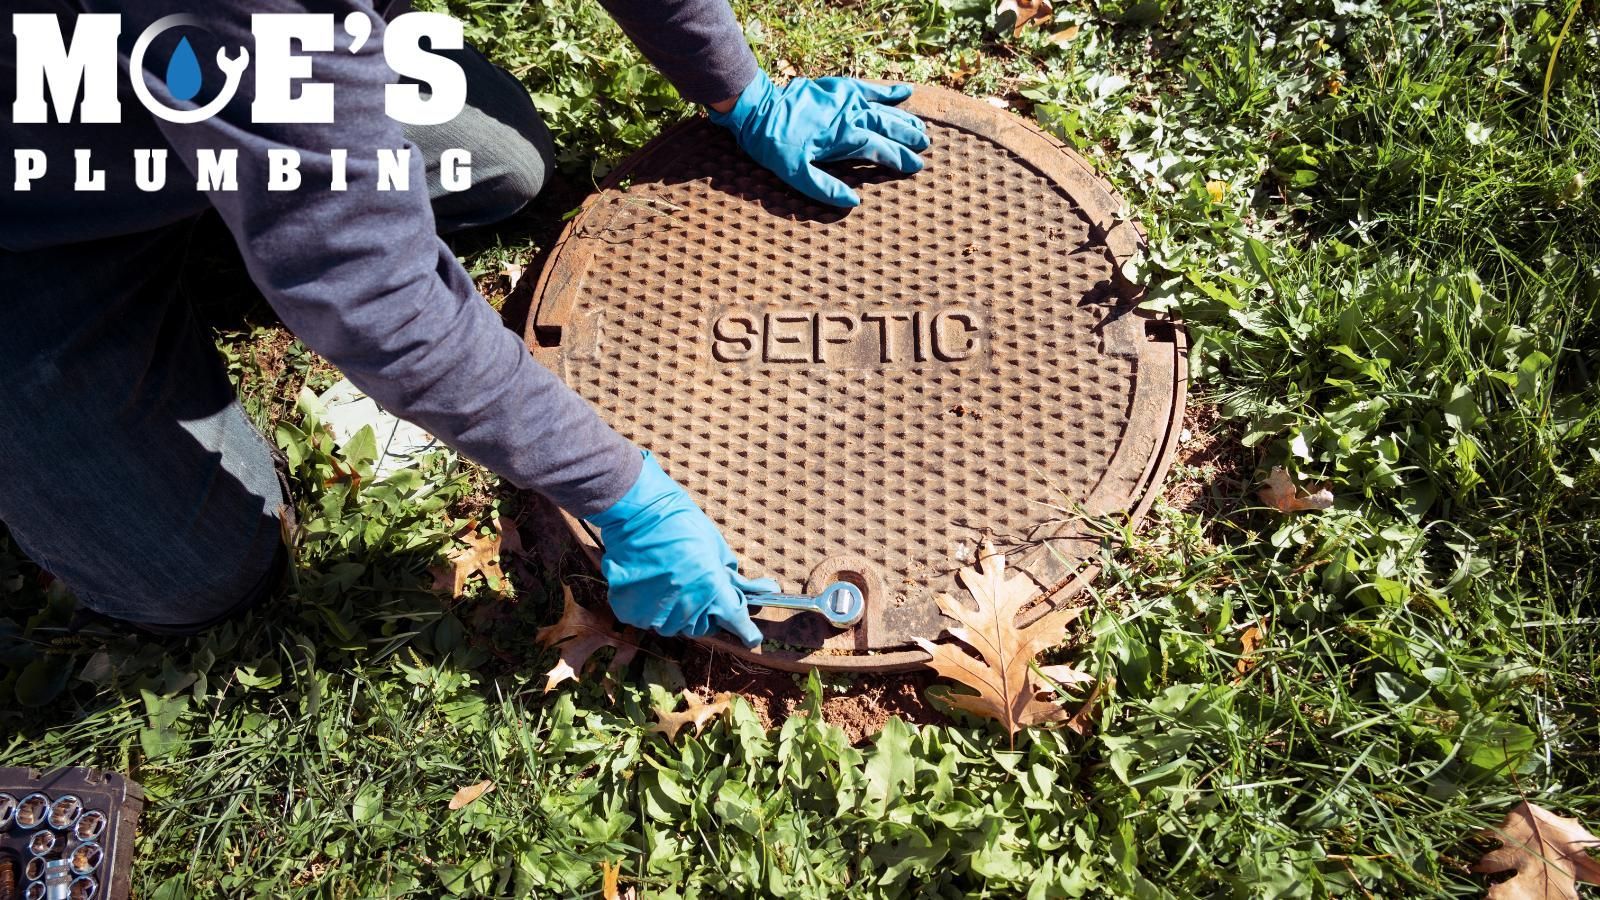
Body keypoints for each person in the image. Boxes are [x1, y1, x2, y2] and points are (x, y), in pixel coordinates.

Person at [0, 0, 929, 648]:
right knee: (190, 574)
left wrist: (741, 91)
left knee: (504, 163)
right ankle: (230, 211)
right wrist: (621, 492)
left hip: (228, 59)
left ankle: (257, 184)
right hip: (42, 191)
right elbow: (374, 293)